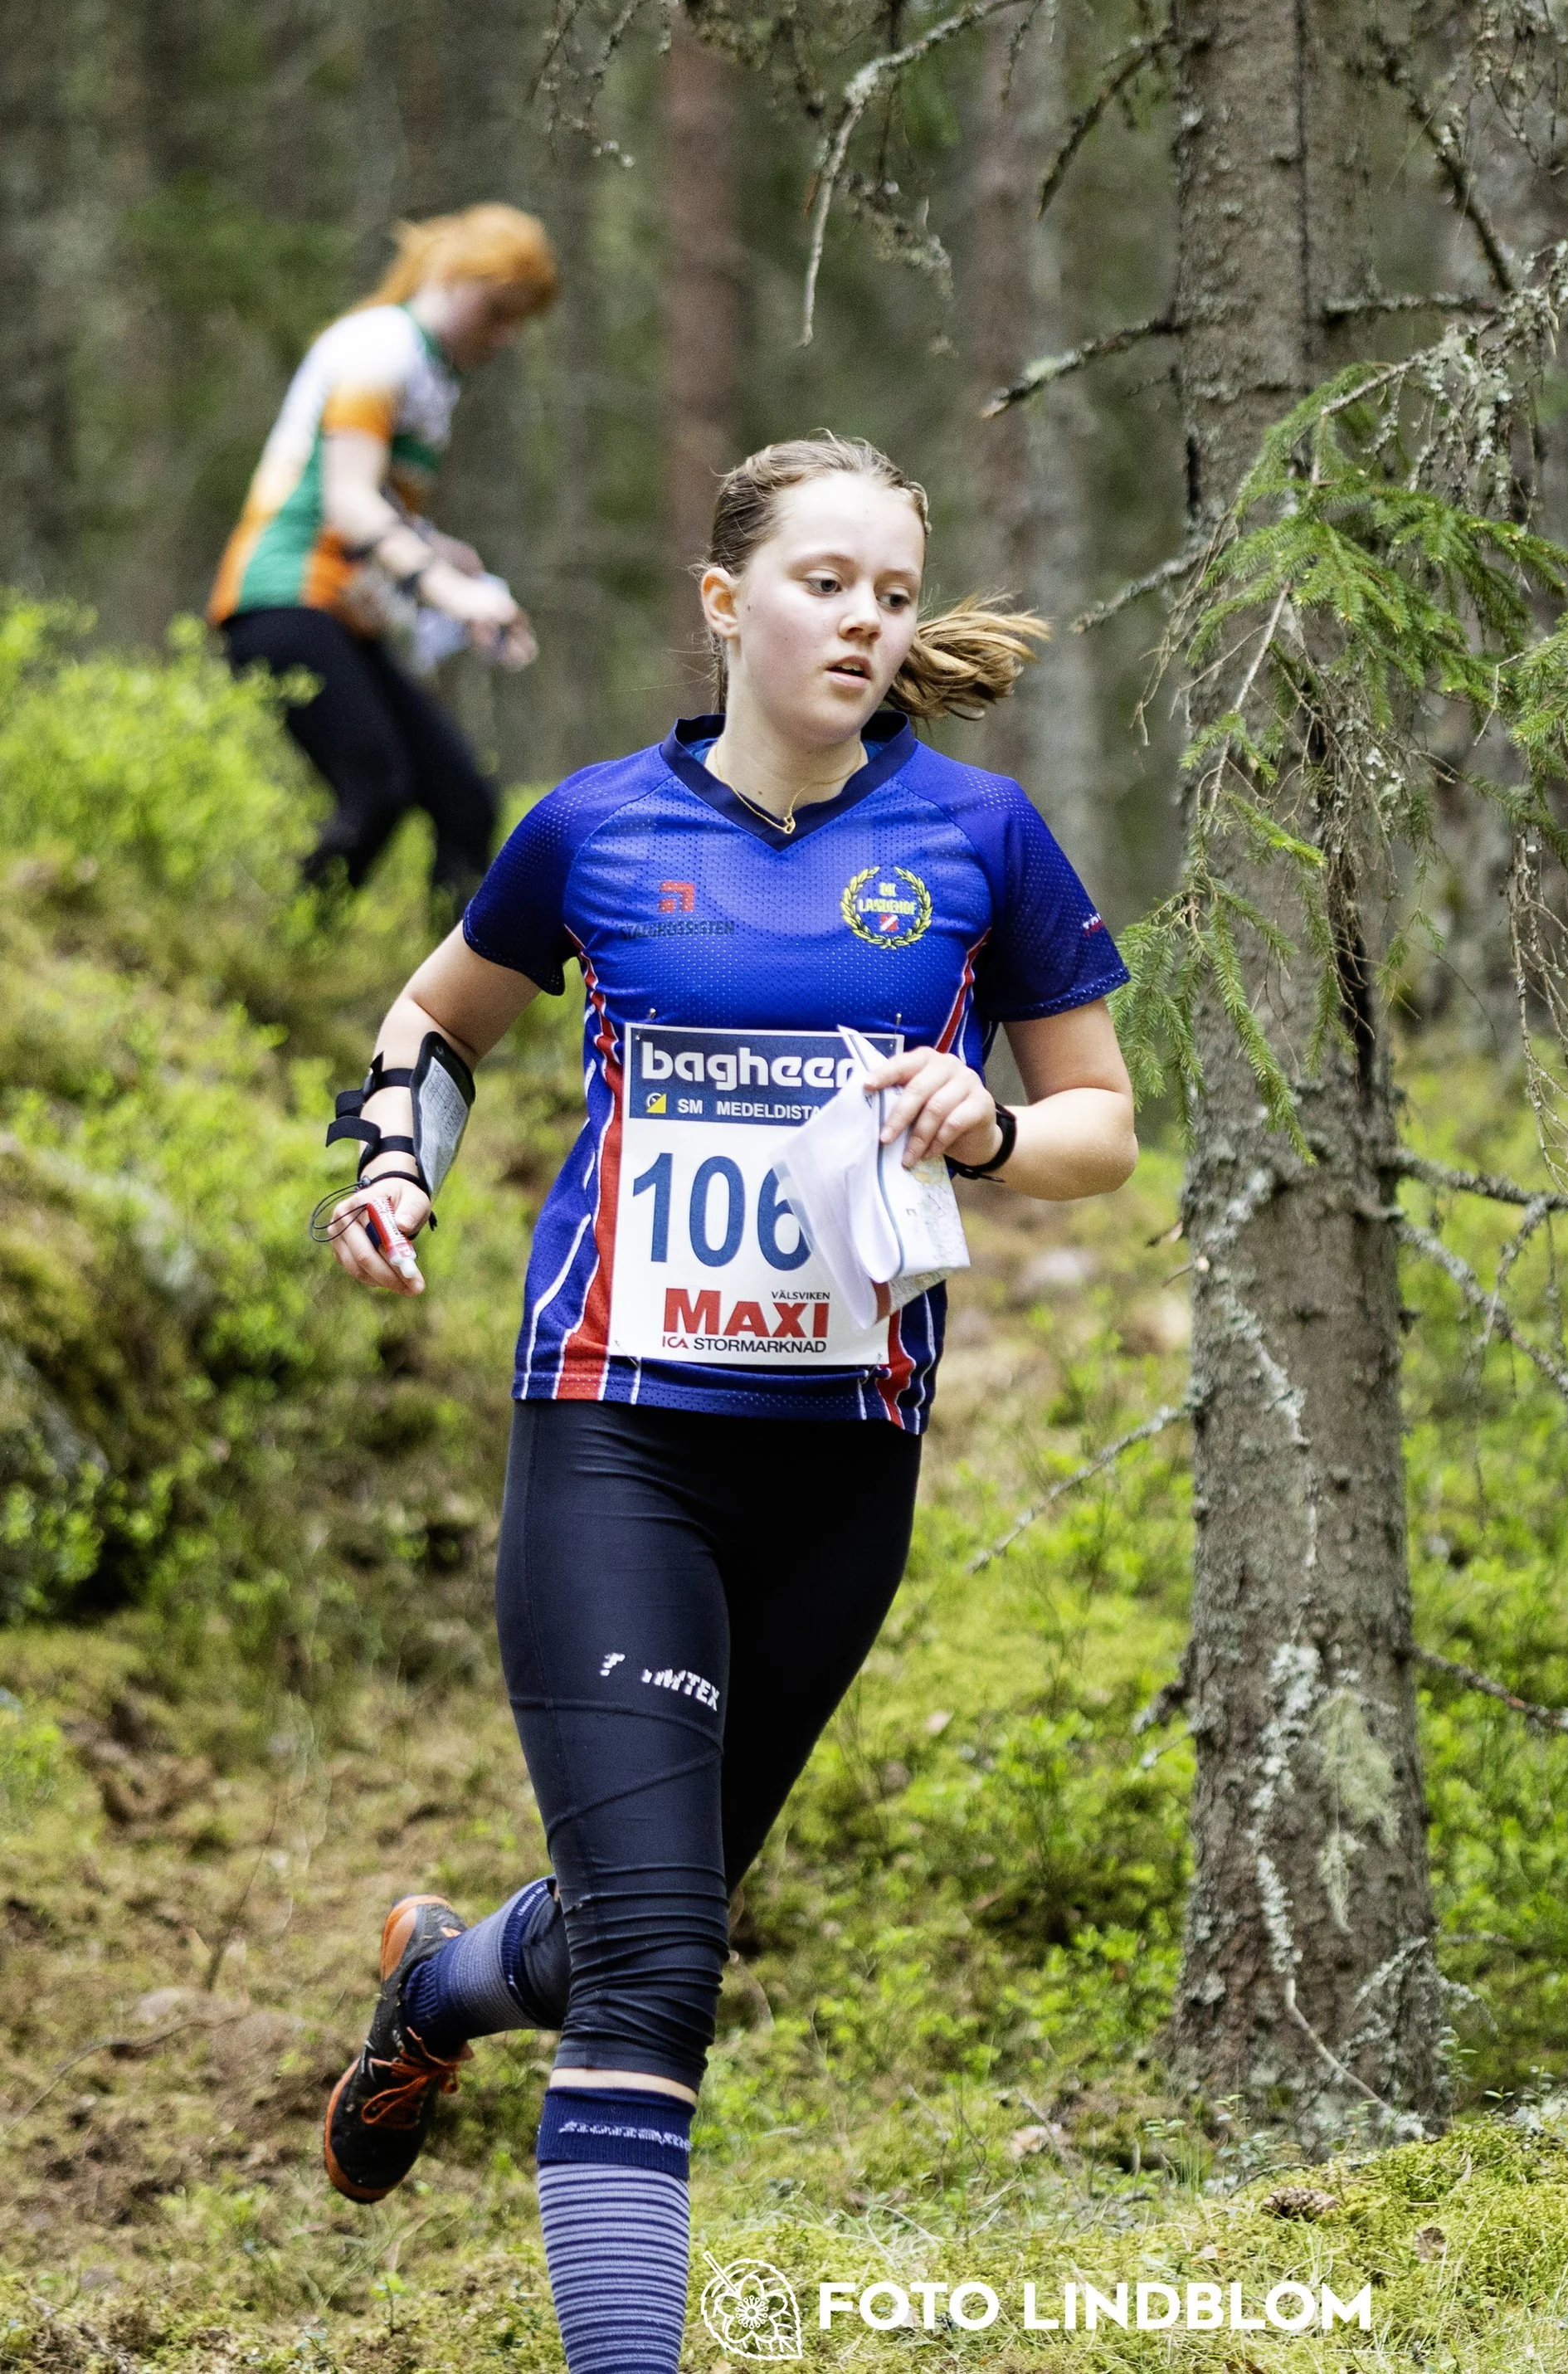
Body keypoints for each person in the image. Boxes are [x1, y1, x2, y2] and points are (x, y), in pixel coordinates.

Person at [314, 434, 1137, 2374]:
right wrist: (392, 1164)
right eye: (826, 581)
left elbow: (1099, 1124)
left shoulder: (980, 840)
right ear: (724, 602)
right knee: (665, 1958)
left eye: (893, 591)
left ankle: (436, 1986)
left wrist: (994, 1119)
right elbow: (435, 1019)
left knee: (631, 1912)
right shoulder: (591, 827)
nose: (865, 618)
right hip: (617, 1426)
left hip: (843, 1461)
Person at [208, 202, 558, 913]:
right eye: (498, 312)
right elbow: (350, 504)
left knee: (466, 802)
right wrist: (449, 593)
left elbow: (382, 513)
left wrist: (455, 570)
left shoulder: (429, 371)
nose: (507, 334)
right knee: (376, 788)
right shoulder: (381, 347)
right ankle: (283, 964)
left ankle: (442, 1007)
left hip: (342, 614)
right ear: (455, 277)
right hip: (283, 599)